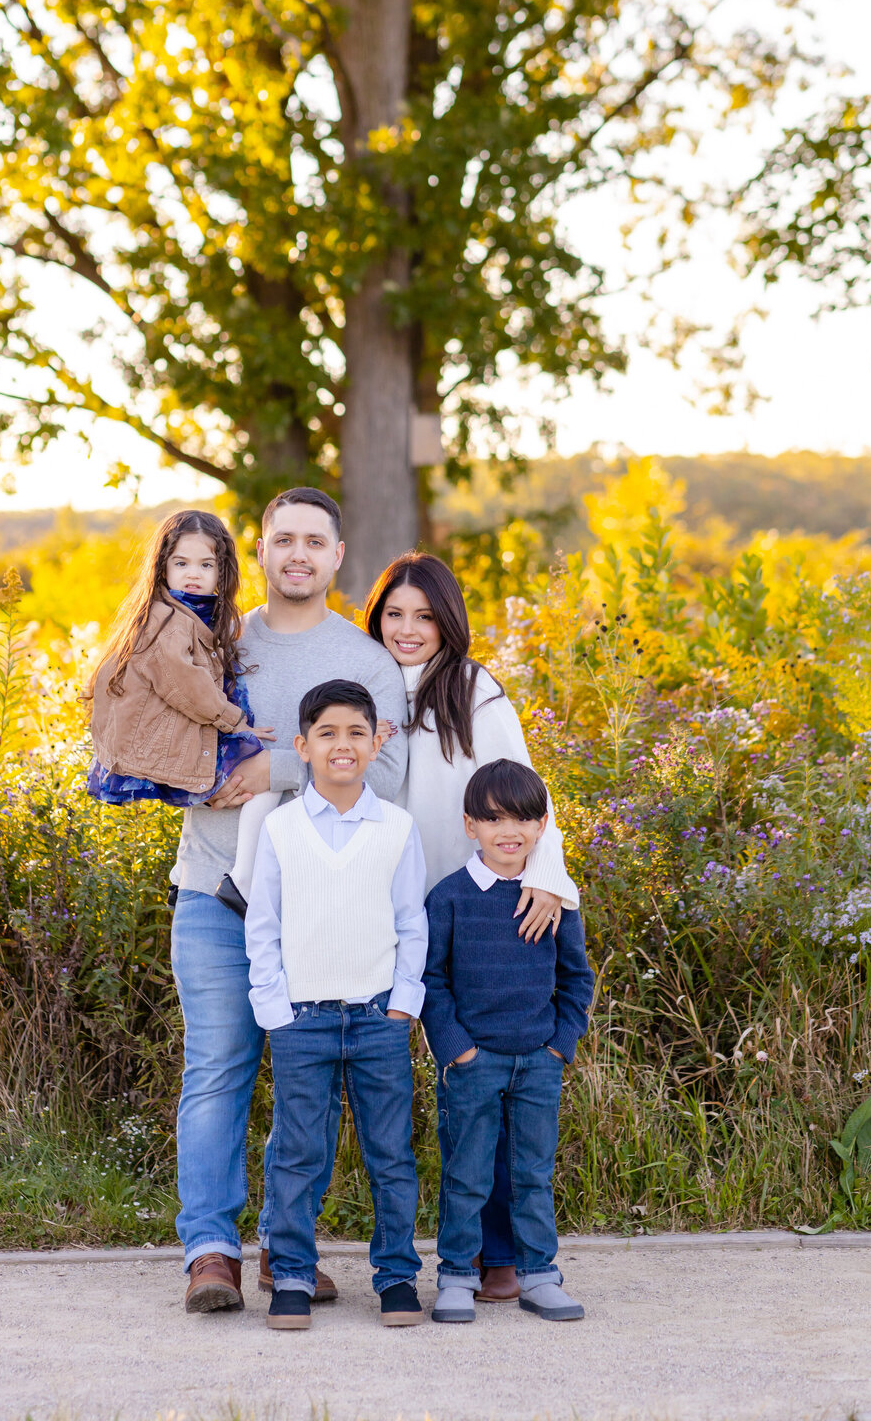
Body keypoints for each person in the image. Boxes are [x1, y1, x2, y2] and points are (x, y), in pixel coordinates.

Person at [170, 488, 408, 1315]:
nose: (297, 554)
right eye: (282, 541)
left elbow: (388, 778)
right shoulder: (210, 642)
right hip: (212, 891)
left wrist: (285, 769)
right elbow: (153, 728)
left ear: (338, 555)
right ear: (260, 553)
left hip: (324, 911)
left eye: (314, 541)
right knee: (218, 1069)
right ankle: (209, 1252)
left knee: (304, 1084)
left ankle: (286, 1250)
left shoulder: (366, 662)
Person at [365, 550, 579, 1300]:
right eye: (395, 613)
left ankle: (498, 1256)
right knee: (415, 1089)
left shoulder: (475, 690)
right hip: (385, 913)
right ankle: (407, 1256)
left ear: (447, 620)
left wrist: (548, 879)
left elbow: (526, 790)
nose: (409, 628)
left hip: (472, 908)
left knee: (483, 1080)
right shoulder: (369, 684)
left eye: (425, 615)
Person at [246, 678, 427, 1331]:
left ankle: (397, 1277)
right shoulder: (281, 829)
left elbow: (412, 923)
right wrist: (275, 1011)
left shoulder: (396, 829)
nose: (343, 745)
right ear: (303, 746)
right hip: (304, 1021)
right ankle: (291, 1276)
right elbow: (262, 925)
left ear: (376, 741)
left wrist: (405, 1003)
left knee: (390, 1155)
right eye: (327, 734)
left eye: (357, 732)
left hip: (378, 1017)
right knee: (298, 1152)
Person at [421, 759, 594, 1325]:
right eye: (494, 819)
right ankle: (456, 1277)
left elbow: (576, 979)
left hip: (538, 1062)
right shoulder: (449, 898)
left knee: (531, 1173)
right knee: (467, 1173)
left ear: (542, 825)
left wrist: (559, 1045)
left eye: (523, 818)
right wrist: (457, 1051)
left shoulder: (553, 898)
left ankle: (539, 1275)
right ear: (471, 826)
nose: (509, 831)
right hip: (475, 1062)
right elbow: (432, 981)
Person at [85, 508, 273, 811]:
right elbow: (187, 685)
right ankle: (253, 857)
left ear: (221, 571)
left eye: (206, 564)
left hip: (168, 741)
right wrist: (236, 723)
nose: (193, 574)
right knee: (264, 769)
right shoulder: (167, 621)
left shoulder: (193, 614)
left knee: (258, 783)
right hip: (158, 748)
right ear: (164, 568)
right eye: (181, 563)